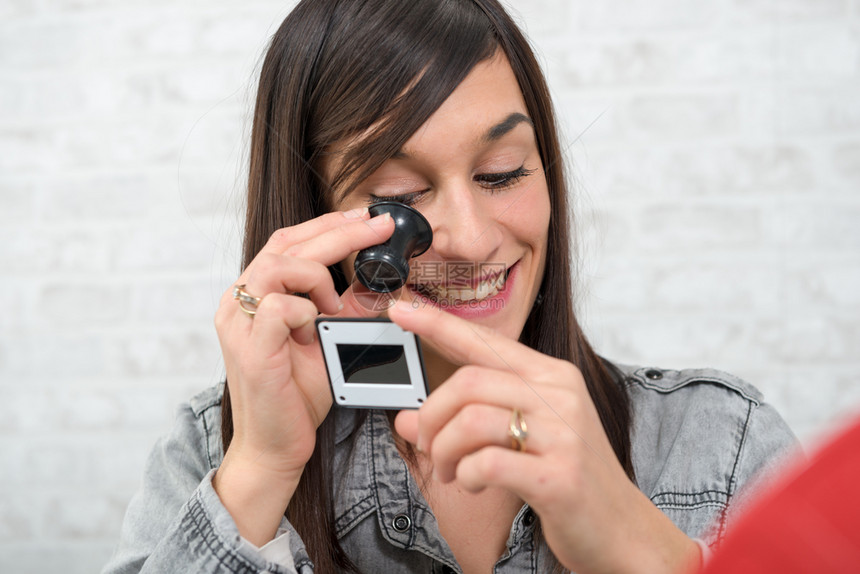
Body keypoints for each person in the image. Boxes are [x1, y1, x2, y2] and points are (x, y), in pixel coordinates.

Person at [103, 1, 798, 573]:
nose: (468, 238)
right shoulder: (213, 452)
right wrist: (261, 469)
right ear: (312, 216)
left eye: (502, 172)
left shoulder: (720, 444)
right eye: (401, 194)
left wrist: (645, 553)